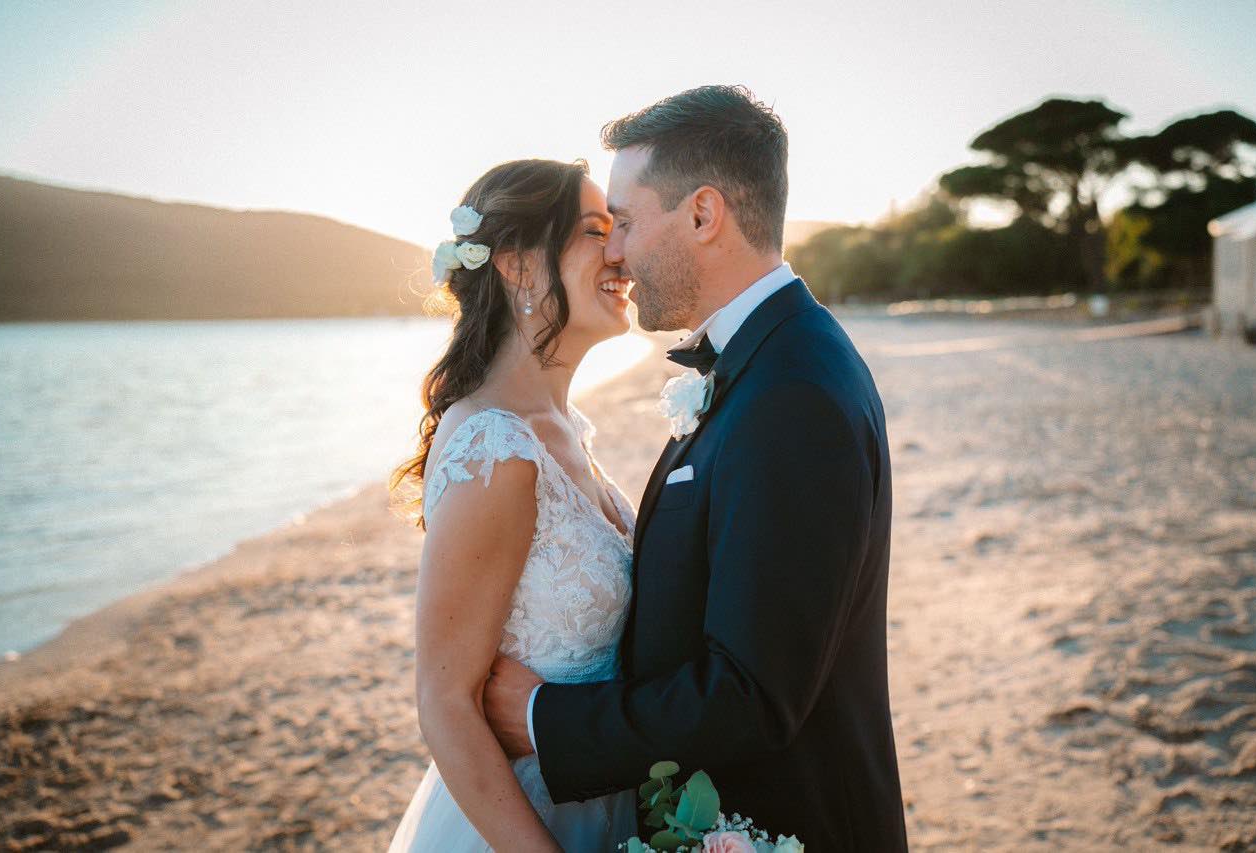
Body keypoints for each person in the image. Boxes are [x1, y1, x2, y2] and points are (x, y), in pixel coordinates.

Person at [482, 85, 909, 851]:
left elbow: (750, 692)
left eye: (626, 221)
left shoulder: (793, 393)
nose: (613, 250)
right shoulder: (768, 362)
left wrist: (546, 720)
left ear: (704, 215)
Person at [386, 158, 640, 852]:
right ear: (519, 267)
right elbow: (444, 703)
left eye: (618, 229)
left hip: (606, 802)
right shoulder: (497, 449)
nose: (622, 251)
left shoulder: (566, 430)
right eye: (595, 232)